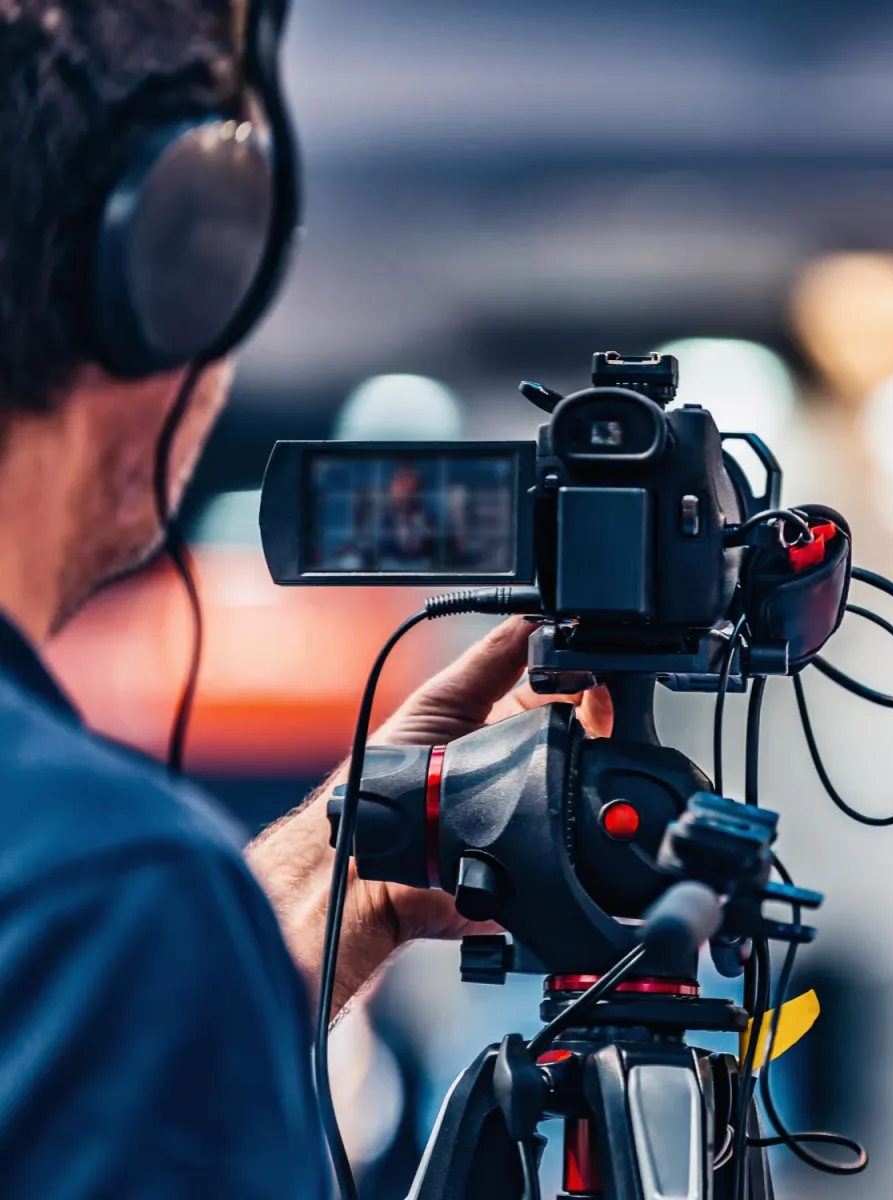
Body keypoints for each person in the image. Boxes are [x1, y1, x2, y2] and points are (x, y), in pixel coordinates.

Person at [0, 1, 610, 1195]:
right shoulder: (108, 899)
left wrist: (331, 886)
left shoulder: (98, 912)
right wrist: (161, 932)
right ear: (170, 290)